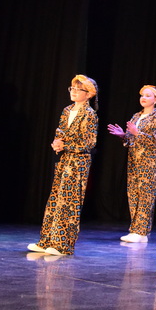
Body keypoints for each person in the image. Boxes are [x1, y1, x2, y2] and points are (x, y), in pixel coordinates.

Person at [28, 74, 99, 256]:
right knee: (55, 199)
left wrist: (65, 145)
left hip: (78, 162)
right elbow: (60, 132)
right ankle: (46, 240)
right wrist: (57, 143)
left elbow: (89, 143)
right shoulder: (67, 110)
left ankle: (63, 244)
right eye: (72, 88)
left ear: (88, 94)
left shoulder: (90, 114)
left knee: (69, 202)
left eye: (78, 89)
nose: (73, 91)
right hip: (64, 160)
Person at [107, 85, 156, 243]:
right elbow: (131, 139)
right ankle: (135, 229)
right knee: (133, 194)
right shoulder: (136, 116)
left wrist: (137, 133)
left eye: (148, 95)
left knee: (146, 196)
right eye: (142, 95)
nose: (143, 98)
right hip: (134, 160)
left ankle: (142, 231)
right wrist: (123, 136)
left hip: (148, 162)